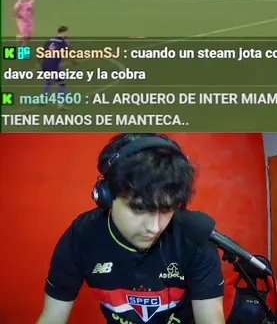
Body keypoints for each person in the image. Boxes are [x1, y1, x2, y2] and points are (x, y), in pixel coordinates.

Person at [35, 134, 225, 324]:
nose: (154, 228)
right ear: (107, 196)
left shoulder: (195, 237)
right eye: (139, 208)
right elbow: (52, 318)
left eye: (166, 209)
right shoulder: (82, 236)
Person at [39, 25, 70, 106]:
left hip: (45, 64)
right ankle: (60, 104)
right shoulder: (63, 42)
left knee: (48, 82)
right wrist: (74, 62)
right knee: (62, 83)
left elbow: (42, 51)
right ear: (64, 32)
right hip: (53, 65)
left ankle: (42, 100)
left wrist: (38, 62)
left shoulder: (50, 40)